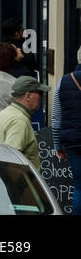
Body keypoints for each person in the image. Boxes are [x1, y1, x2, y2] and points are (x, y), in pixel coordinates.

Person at [0, 76, 49, 173]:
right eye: (40, 93)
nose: (41, 97)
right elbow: (12, 160)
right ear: (28, 96)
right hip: (18, 182)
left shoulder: (6, 112)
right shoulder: (19, 120)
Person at [50, 53, 81, 215]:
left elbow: (56, 117)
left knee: (79, 186)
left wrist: (57, 144)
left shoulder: (65, 80)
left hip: (73, 141)